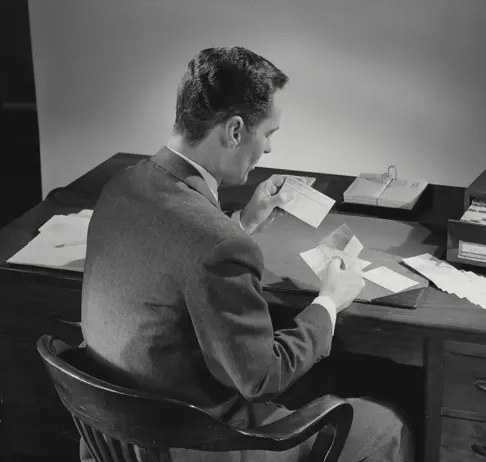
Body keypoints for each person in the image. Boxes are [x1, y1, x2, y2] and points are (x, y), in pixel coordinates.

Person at [80, 46, 414, 462]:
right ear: (235, 131)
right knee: (386, 423)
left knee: (322, 376)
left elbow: (177, 250)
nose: (269, 149)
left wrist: (243, 222)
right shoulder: (218, 245)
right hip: (192, 444)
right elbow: (262, 378)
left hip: (115, 439)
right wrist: (330, 301)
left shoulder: (122, 185)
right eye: (269, 133)